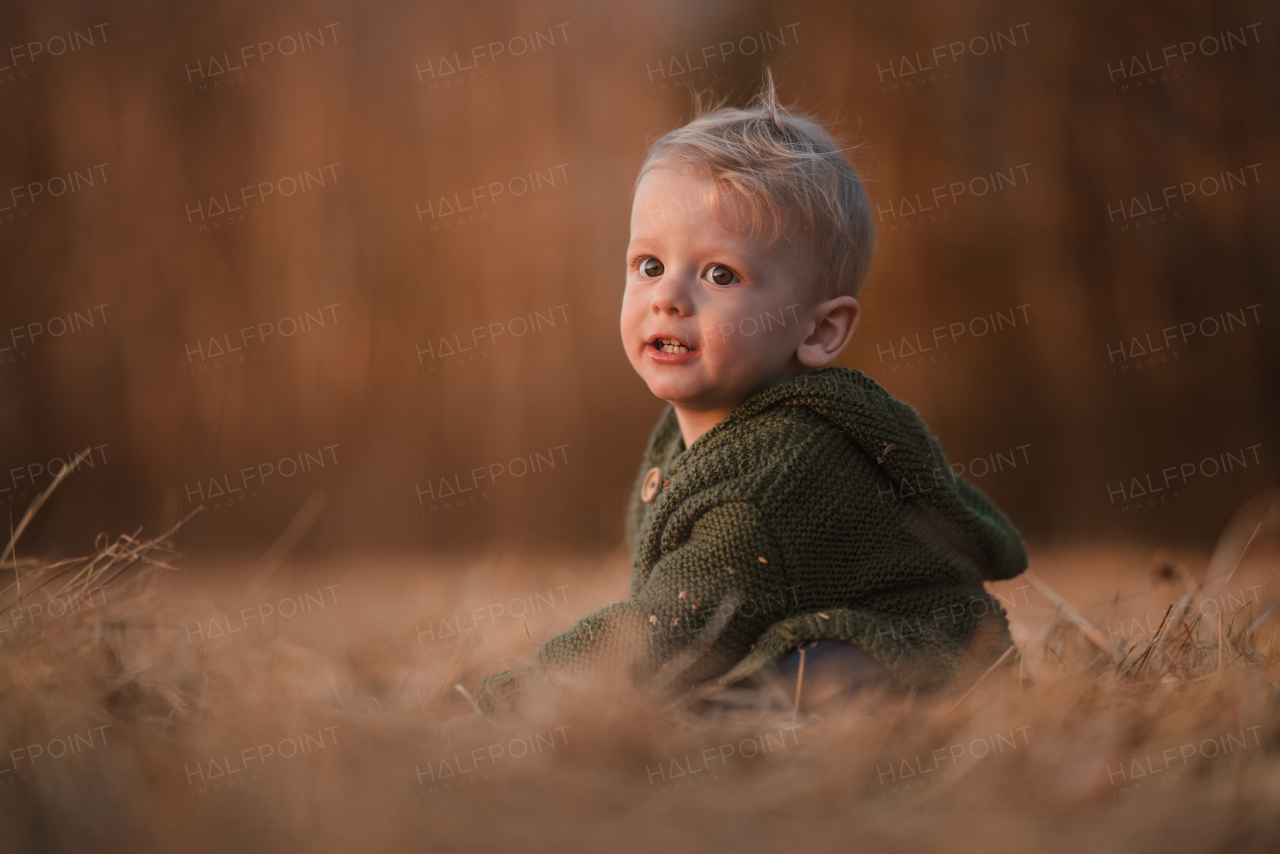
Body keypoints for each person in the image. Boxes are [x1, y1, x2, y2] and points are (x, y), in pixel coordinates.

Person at [473, 70, 1027, 717]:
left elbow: (663, 630)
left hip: (919, 652)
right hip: (801, 626)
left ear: (820, 330)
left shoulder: (771, 481)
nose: (669, 297)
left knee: (811, 677)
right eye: (649, 265)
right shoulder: (687, 434)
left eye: (719, 274)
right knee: (727, 681)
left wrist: (513, 698)